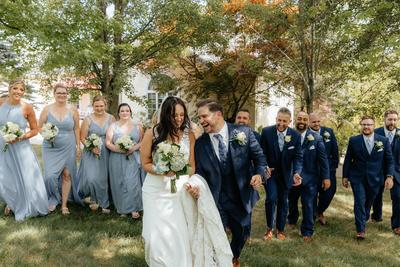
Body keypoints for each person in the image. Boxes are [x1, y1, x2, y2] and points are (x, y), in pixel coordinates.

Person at [141, 96, 232, 267]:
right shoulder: (151, 133)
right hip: (154, 190)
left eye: (182, 115)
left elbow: (191, 167)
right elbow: (145, 163)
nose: (179, 119)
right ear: (165, 114)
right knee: (155, 237)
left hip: (178, 191)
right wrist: (161, 170)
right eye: (174, 115)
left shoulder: (188, 135)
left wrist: (186, 180)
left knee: (178, 235)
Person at [195, 99, 266, 267]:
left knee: (241, 232)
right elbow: (199, 171)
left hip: (240, 194)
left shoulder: (243, 133)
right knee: (215, 235)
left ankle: (233, 256)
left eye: (204, 116)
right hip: (215, 197)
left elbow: (260, 158)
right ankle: (220, 262)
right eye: (199, 117)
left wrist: (259, 174)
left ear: (218, 114)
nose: (201, 121)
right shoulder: (200, 143)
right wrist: (196, 186)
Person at [0, 79, 48, 220]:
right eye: (15, 88)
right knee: (4, 177)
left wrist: (21, 136)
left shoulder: (27, 107)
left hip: (21, 147)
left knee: (23, 177)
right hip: (2, 145)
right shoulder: (1, 103)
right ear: (10, 89)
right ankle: (12, 201)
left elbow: (35, 130)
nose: (18, 92)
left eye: (21, 90)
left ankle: (17, 204)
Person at [343, 115, 394, 239]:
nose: (366, 127)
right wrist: (345, 176)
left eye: (369, 124)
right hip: (357, 177)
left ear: (373, 126)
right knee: (359, 201)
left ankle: (364, 216)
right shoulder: (354, 140)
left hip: (376, 178)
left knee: (369, 202)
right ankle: (360, 230)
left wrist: (389, 176)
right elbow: (348, 159)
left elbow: (389, 160)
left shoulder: (383, 140)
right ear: (361, 125)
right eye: (364, 124)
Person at [260, 107, 303, 241]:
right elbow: (261, 153)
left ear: (289, 121)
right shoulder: (266, 132)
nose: (281, 123)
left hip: (286, 175)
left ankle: (280, 229)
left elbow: (298, 156)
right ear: (276, 119)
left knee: (284, 201)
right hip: (270, 174)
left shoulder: (295, 135)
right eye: (279, 120)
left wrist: (296, 172)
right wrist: (265, 166)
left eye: (285, 121)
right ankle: (269, 228)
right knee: (271, 198)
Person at [287, 111, 330, 241]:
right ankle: (292, 219)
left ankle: (307, 231)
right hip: (292, 176)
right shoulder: (288, 135)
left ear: (308, 122)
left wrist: (326, 177)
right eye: (299, 119)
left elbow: (323, 159)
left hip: (310, 178)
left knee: (309, 204)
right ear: (296, 120)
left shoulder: (316, 138)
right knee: (292, 201)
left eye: (304, 119)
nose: (302, 121)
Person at [39, 83, 81, 215]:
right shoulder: (47, 109)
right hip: (51, 146)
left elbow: (76, 128)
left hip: (68, 145)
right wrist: (47, 134)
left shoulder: (73, 109)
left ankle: (64, 204)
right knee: (49, 176)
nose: (62, 95)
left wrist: (78, 146)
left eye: (64, 93)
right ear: (54, 94)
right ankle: (53, 198)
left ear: (67, 94)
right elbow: (39, 127)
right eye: (59, 93)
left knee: (67, 175)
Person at [77, 96, 115, 213]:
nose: (99, 108)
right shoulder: (88, 119)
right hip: (90, 151)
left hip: (106, 150)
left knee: (103, 177)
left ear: (105, 106)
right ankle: (92, 198)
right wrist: (91, 147)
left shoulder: (111, 118)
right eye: (96, 106)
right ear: (93, 106)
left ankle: (103, 201)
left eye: (101, 106)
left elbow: (115, 134)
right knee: (91, 177)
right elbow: (82, 137)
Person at [105, 103, 143, 218]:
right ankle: (122, 208)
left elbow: (142, 141)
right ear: (118, 113)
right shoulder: (113, 126)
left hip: (133, 157)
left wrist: (133, 148)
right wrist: (119, 150)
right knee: (119, 182)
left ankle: (134, 208)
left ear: (130, 112)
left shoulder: (138, 126)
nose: (125, 113)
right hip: (116, 158)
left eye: (127, 110)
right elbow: (108, 143)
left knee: (132, 182)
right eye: (122, 111)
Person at [372, 110, 400, 234]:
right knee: (377, 195)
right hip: (379, 170)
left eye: (394, 119)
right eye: (390, 119)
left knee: (398, 197)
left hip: (397, 171)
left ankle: (397, 225)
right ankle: (377, 215)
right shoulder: (375, 133)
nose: (392, 122)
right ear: (384, 119)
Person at [309, 112, 339, 225]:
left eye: (318, 121)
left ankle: (319, 211)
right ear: (309, 122)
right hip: (312, 170)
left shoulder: (328, 132)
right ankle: (312, 215)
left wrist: (334, 167)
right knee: (312, 194)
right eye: (313, 122)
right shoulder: (306, 134)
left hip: (328, 169)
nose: (317, 124)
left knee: (330, 192)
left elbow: (335, 150)